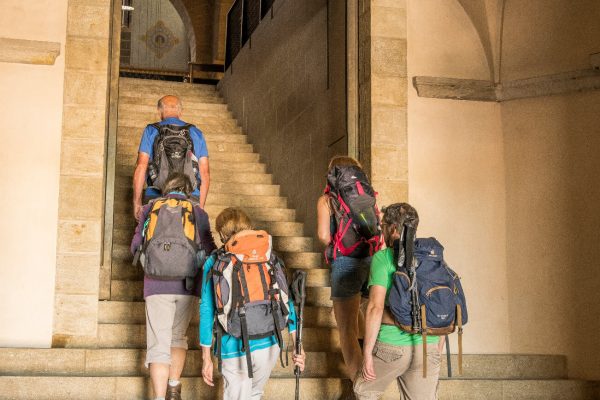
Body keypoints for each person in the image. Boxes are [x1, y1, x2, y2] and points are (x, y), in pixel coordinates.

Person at [200, 207, 305, 400]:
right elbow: (285, 299)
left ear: (222, 234)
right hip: (270, 342)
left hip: (233, 344)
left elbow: (206, 310)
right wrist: (297, 343)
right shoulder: (269, 257)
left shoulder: (215, 261)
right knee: (255, 394)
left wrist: (206, 357)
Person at [130, 173, 216, 400]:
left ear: (165, 189)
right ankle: (174, 390)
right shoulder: (198, 212)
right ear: (189, 190)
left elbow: (136, 245)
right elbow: (210, 250)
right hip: (187, 285)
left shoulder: (150, 208)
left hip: (155, 285)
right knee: (178, 337)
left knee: (159, 343)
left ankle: (159, 398)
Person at [354, 203, 442, 400]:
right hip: (428, 346)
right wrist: (437, 345)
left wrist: (367, 353)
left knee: (365, 391)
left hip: (391, 346)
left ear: (393, 228)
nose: (381, 230)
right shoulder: (432, 257)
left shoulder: (383, 258)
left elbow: (375, 308)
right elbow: (442, 304)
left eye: (383, 225)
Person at [316, 156, 379, 379]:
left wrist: (336, 243)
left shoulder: (326, 200)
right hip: (371, 260)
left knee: (346, 329)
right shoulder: (367, 194)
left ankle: (361, 386)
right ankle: (368, 371)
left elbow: (323, 236)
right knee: (359, 316)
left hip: (345, 262)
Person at [133, 95, 210, 221]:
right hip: (190, 197)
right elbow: (205, 173)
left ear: (159, 111)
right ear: (180, 111)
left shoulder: (151, 131)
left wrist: (137, 203)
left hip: (155, 197)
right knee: (189, 239)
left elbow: (141, 167)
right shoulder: (196, 132)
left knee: (148, 237)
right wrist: (200, 207)